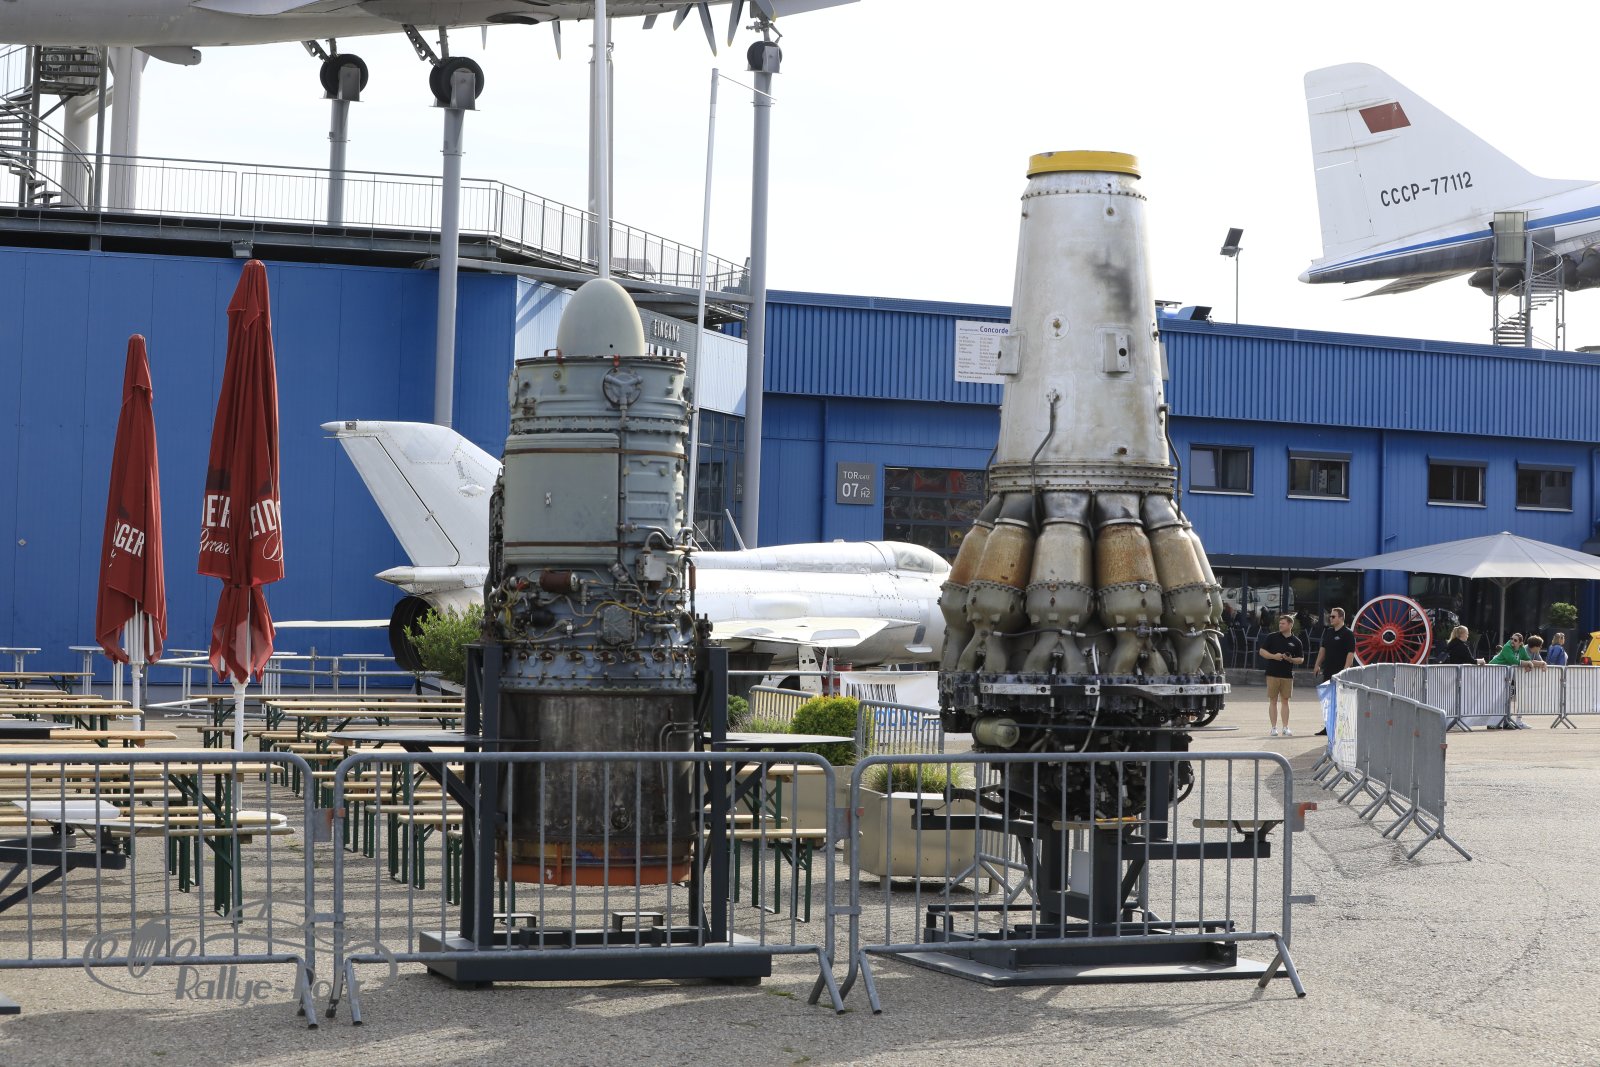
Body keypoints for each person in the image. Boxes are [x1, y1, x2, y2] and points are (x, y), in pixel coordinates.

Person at [1311, 606, 1357, 736]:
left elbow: (1350, 654)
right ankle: (1328, 727)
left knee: (1340, 702)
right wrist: (1317, 665)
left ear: (1341, 618)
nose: (1330, 618)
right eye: (1330, 616)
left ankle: (1341, 728)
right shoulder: (1329, 632)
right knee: (1328, 701)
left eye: (1333, 616)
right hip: (1328, 671)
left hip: (1340, 674)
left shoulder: (1347, 634)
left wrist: (1345, 671)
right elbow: (1323, 650)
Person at [1257, 614, 1305, 737]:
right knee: (1272, 700)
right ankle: (1273, 728)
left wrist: (1291, 659)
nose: (1280, 625)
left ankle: (1285, 727)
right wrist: (1274, 656)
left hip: (1287, 675)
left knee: (1285, 701)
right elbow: (1261, 651)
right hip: (1272, 674)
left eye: (1283, 623)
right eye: (1280, 623)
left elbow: (1301, 659)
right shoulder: (1272, 637)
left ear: (1290, 625)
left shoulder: (1296, 641)